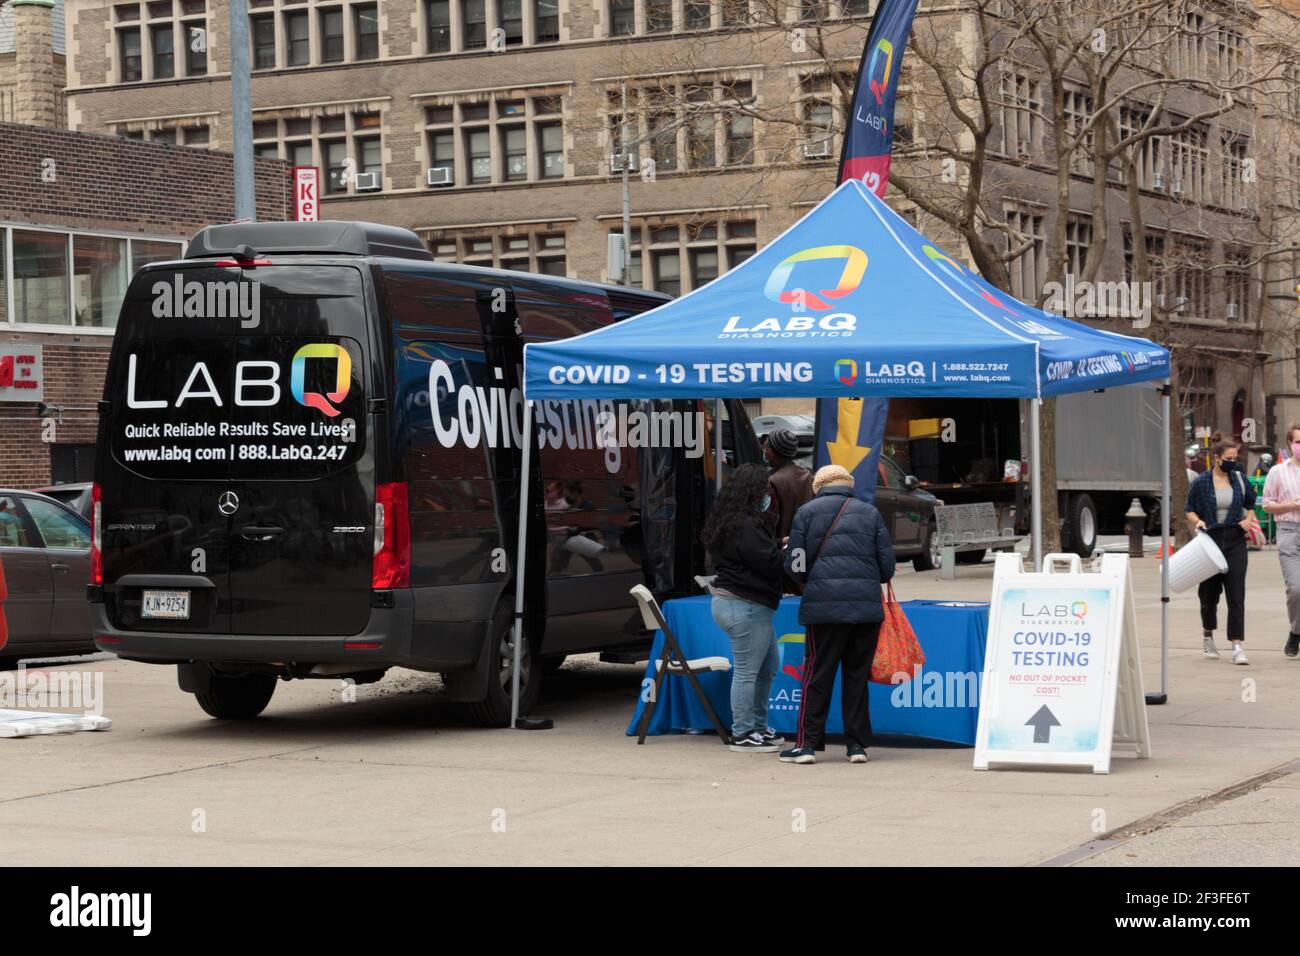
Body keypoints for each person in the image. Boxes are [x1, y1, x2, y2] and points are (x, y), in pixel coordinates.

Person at [779, 464, 895, 765]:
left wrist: (811, 581)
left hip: (824, 611)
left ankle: (807, 745)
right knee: (856, 677)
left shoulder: (805, 513)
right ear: (849, 485)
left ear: (819, 486)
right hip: (865, 611)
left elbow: (797, 566)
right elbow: (887, 568)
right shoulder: (870, 513)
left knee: (817, 675)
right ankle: (857, 746)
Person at [700, 462, 785, 753]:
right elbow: (769, 562)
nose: (768, 496)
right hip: (745, 606)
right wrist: (783, 551)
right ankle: (743, 732)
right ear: (754, 492)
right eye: (764, 490)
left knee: (767, 667)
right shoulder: (748, 525)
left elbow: (753, 553)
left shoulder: (729, 522)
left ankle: (758, 728)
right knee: (749, 672)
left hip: (737, 604)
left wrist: (775, 544)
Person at [1185, 433, 1255, 664]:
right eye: (1229, 457)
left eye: (1235, 457)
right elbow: (1190, 509)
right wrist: (1197, 521)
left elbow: (1251, 503)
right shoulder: (1201, 482)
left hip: (1235, 538)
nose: (1233, 461)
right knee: (1209, 594)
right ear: (1216, 458)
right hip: (1210, 541)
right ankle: (1208, 635)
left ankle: (1237, 645)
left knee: (1236, 593)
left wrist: (1248, 520)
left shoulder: (1240, 479)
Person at [1262, 424, 1300, 658]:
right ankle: (1296, 630)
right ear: (1289, 444)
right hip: (1288, 530)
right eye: (1297, 441)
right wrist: (1291, 505)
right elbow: (1266, 504)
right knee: (1296, 588)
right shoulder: (1277, 472)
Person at [763, 427, 813, 542]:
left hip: (780, 546)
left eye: (766, 447)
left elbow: (766, 520)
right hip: (804, 543)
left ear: (775, 452)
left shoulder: (772, 481)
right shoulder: (808, 476)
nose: (764, 450)